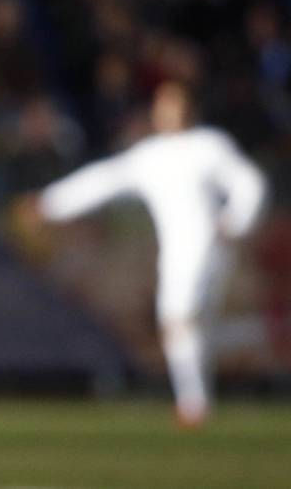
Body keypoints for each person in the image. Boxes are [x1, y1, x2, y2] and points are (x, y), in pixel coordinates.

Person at [31, 81, 267, 428]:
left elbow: (249, 183)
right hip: (175, 250)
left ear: (192, 109)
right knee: (189, 325)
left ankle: (194, 404)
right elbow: (101, 181)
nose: (170, 111)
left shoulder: (209, 146)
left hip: (208, 245)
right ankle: (199, 399)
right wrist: (50, 202)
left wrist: (236, 221)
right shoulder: (150, 156)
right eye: (164, 104)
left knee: (180, 317)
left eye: (177, 103)